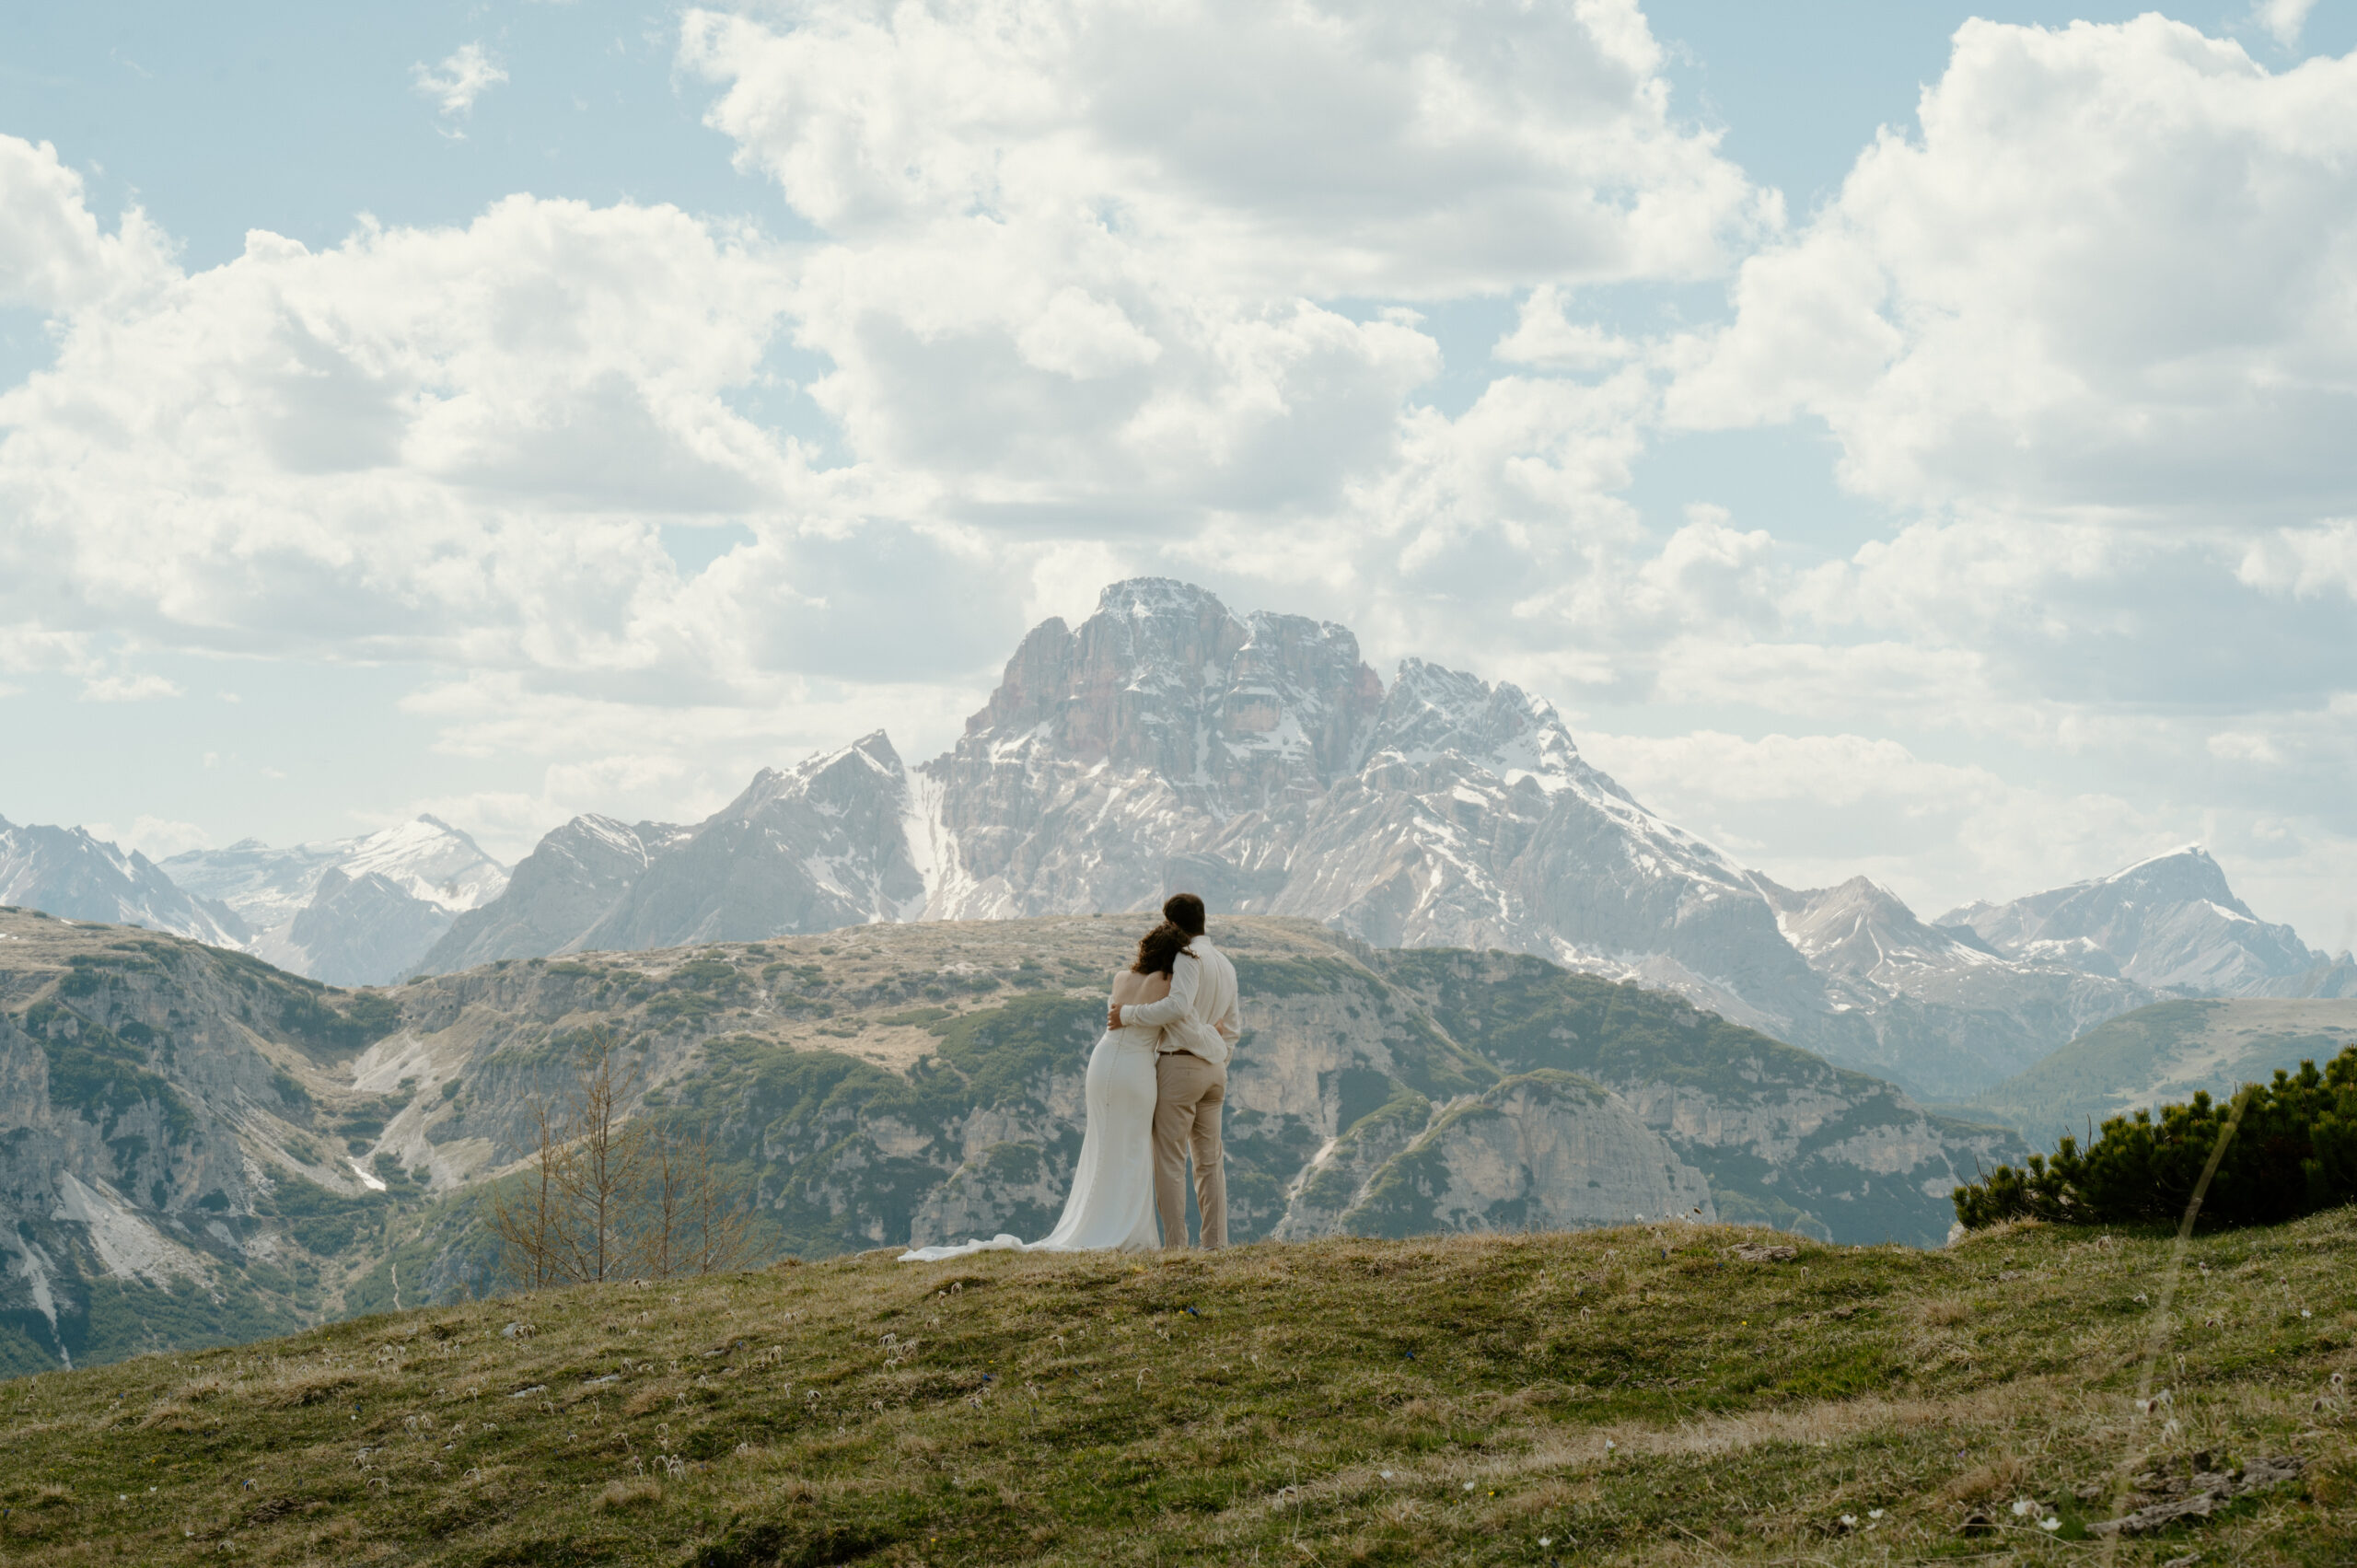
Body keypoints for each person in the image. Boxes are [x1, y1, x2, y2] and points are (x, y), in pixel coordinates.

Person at [897, 923, 1178, 1260]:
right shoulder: (1168, 983)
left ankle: (1097, 1220)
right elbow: (1176, 1018)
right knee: (1133, 1145)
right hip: (1135, 1070)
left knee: (1101, 1143)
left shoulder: (1121, 978)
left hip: (1102, 1063)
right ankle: (1126, 1228)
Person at [1106, 892, 1241, 1249]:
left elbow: (1178, 1006)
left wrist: (1128, 1015)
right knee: (1210, 1163)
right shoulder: (1226, 964)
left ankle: (1176, 1247)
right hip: (1215, 1072)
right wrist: (1218, 1056)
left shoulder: (1186, 956)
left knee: (1169, 1159)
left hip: (1179, 1065)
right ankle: (1214, 1245)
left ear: (1174, 924)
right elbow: (1235, 1026)